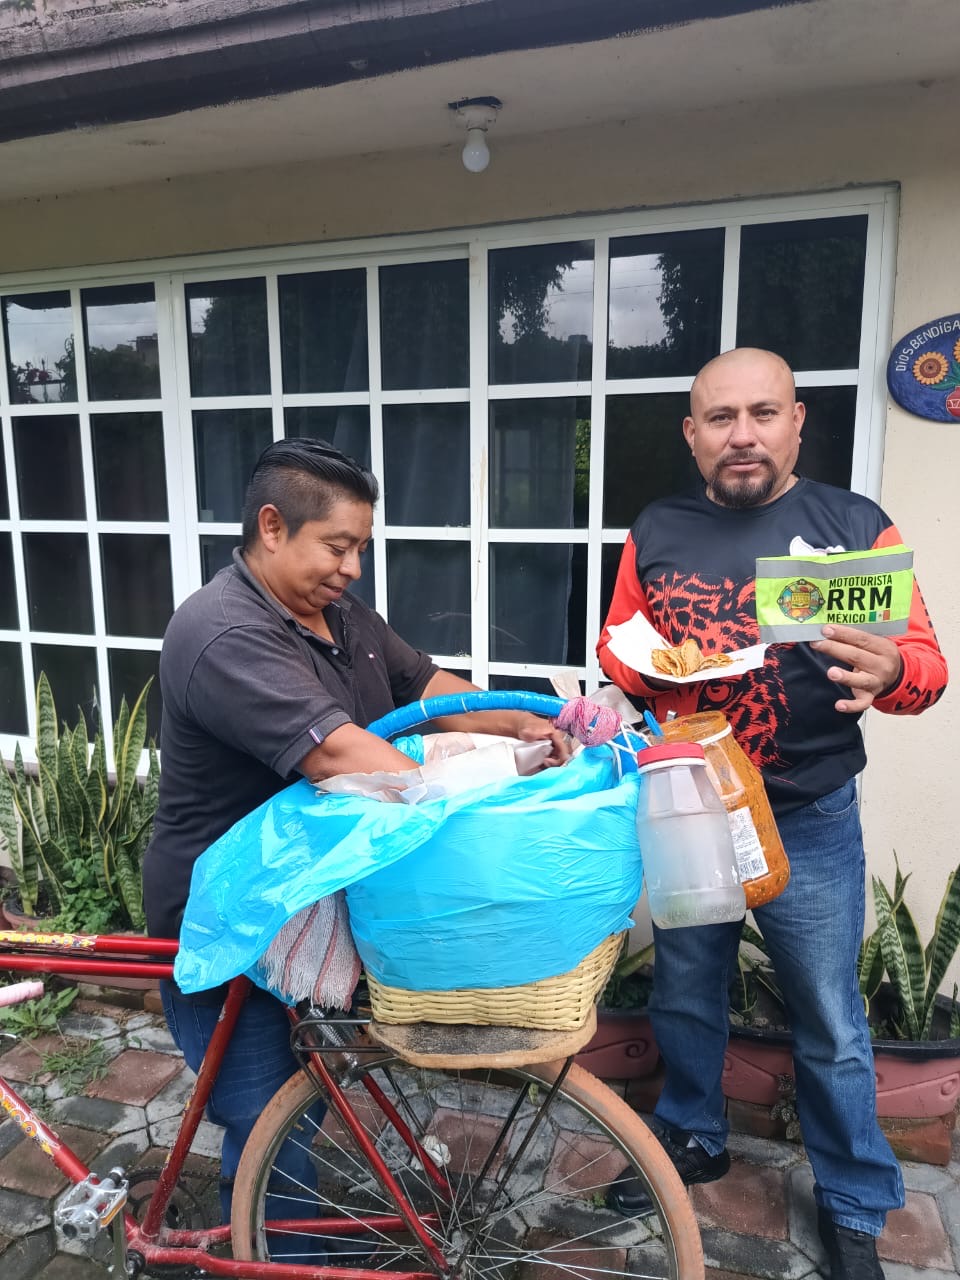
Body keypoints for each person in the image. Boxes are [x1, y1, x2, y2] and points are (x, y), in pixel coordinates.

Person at [143, 437, 568, 1230]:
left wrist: (526, 721)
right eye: (338, 546)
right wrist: (484, 792)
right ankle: (273, 1250)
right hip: (230, 913)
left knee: (311, 1091)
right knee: (269, 1114)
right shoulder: (225, 633)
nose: (353, 567)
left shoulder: (337, 613)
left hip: (307, 894)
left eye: (360, 548)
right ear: (273, 527)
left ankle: (280, 1227)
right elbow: (342, 754)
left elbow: (426, 687)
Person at [597, 348, 948, 1280]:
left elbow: (923, 663)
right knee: (684, 990)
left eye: (762, 413)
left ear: (798, 421)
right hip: (688, 806)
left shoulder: (850, 524)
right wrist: (632, 667)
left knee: (830, 1019)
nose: (741, 435)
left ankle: (853, 1202)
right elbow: (622, 647)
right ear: (692, 434)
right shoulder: (656, 528)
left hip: (810, 815)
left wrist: (893, 673)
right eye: (720, 419)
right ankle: (691, 1139)